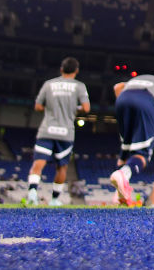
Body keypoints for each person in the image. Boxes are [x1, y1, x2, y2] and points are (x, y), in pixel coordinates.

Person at [27, 57, 90, 206]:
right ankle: (55, 199)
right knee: (62, 167)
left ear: (61, 69)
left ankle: (32, 193)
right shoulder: (79, 86)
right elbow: (86, 108)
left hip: (47, 130)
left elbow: (37, 106)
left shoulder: (49, 84)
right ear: (76, 71)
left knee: (38, 163)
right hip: (66, 133)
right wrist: (75, 109)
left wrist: (50, 108)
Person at [110, 73, 154, 206]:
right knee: (142, 154)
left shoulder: (146, 82)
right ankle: (124, 173)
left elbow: (118, 87)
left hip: (123, 98)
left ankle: (117, 195)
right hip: (147, 101)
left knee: (126, 150)